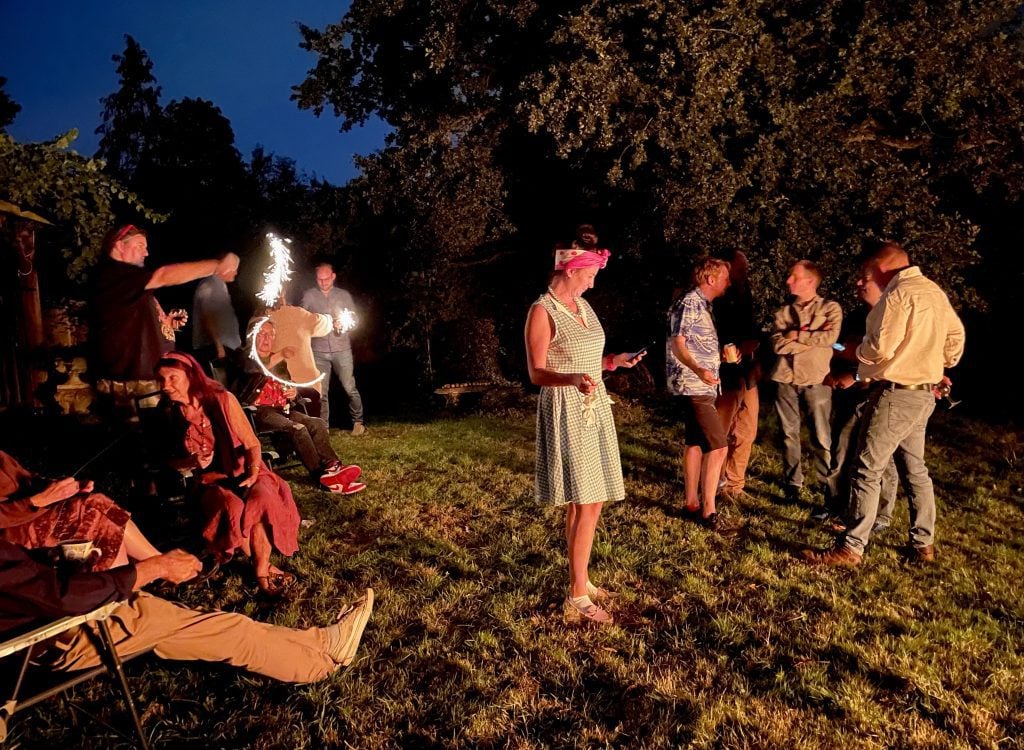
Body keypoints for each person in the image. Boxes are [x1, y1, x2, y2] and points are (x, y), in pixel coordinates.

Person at [0, 540, 373, 682]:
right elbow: (60, 596)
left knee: (216, 624)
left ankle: (322, 642)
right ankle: (318, 664)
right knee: (229, 633)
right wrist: (153, 568)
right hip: (61, 632)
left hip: (60, 618)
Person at [804, 242, 965, 567]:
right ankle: (923, 544)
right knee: (915, 469)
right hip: (922, 393)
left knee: (866, 468)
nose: (860, 282)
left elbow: (878, 349)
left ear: (880, 267)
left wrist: (853, 352)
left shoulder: (898, 294)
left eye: (864, 273)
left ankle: (851, 547)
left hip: (897, 393)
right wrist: (935, 361)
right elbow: (956, 341)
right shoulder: (934, 292)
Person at [525, 228, 644, 625]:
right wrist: (572, 379)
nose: (594, 281)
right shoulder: (542, 311)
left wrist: (612, 362)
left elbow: (590, 355)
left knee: (589, 499)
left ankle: (582, 578)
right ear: (573, 268)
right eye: (591, 273)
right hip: (565, 408)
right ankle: (577, 594)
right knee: (587, 499)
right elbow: (537, 373)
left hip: (594, 406)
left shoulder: (582, 306)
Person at [156, 352, 301, 597]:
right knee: (232, 508)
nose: (165, 386)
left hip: (247, 468)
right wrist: (191, 461)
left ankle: (261, 573)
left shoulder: (222, 400)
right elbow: (168, 462)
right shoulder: (168, 413)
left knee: (261, 499)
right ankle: (266, 570)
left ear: (191, 376)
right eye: (161, 379)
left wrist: (254, 473)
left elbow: (253, 444)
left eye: (172, 378)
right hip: (210, 480)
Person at [90, 224, 239, 419]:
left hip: (147, 382)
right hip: (134, 385)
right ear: (119, 246)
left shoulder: (128, 283)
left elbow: (127, 322)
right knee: (146, 442)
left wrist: (165, 324)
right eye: (140, 245)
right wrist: (217, 266)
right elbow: (164, 275)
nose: (147, 252)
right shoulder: (114, 275)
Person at [244, 319, 366, 495]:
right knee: (298, 429)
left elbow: (288, 384)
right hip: (260, 412)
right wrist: (281, 354)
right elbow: (255, 370)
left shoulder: (279, 362)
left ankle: (333, 466)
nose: (267, 338)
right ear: (252, 336)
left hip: (283, 409)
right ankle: (321, 475)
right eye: (261, 333)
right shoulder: (244, 357)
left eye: (270, 334)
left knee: (316, 423)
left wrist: (294, 393)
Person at [819, 263, 899, 529]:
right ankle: (835, 505)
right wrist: (842, 350)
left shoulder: (893, 316)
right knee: (840, 447)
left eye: (864, 279)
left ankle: (880, 516)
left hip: (878, 393)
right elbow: (839, 344)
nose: (858, 284)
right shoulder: (855, 316)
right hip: (848, 393)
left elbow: (887, 358)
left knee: (878, 457)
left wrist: (855, 374)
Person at [0, 451, 161, 570]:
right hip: (13, 528)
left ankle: (161, 567)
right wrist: (38, 500)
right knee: (90, 513)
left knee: (94, 502)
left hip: (32, 511)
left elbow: (23, 478)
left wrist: (62, 488)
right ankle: (161, 570)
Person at [667, 257, 733, 532]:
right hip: (693, 386)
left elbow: (696, 343)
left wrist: (720, 357)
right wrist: (698, 369)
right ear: (710, 279)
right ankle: (709, 511)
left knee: (694, 442)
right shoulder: (689, 303)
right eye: (725, 277)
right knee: (718, 446)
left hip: (702, 384)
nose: (728, 283)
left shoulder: (705, 307)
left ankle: (692, 503)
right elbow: (677, 343)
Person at [769, 260, 842, 505]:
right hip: (785, 378)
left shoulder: (831, 309)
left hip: (816, 379)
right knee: (788, 434)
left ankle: (826, 486)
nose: (789, 281)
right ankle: (792, 484)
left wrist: (796, 335)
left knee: (821, 437)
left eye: (794, 277)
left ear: (810, 281)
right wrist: (813, 335)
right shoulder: (783, 312)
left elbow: (831, 338)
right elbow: (778, 344)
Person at [713, 250, 762, 501]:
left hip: (747, 372)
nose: (745, 274)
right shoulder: (718, 298)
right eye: (740, 270)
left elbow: (751, 326)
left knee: (746, 429)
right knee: (720, 430)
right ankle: (715, 483)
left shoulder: (746, 293)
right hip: (727, 370)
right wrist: (733, 348)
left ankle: (735, 484)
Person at [300, 263, 366, 434]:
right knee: (321, 391)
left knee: (349, 386)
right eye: (320, 279)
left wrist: (343, 324)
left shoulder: (343, 296)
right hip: (318, 350)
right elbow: (301, 318)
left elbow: (354, 318)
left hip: (341, 348)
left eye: (326, 279)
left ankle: (358, 422)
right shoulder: (309, 295)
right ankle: (324, 427)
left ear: (333, 276)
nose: (323, 282)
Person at [267, 293, 333, 417]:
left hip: (276, 387)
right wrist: (330, 319)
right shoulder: (297, 314)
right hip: (303, 384)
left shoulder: (259, 320)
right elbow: (322, 323)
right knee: (312, 425)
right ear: (282, 295)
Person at [192, 267, 242, 383]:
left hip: (226, 348)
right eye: (233, 268)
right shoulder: (210, 285)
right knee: (220, 387)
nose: (235, 272)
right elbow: (208, 316)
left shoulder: (221, 286)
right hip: (214, 348)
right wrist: (218, 346)